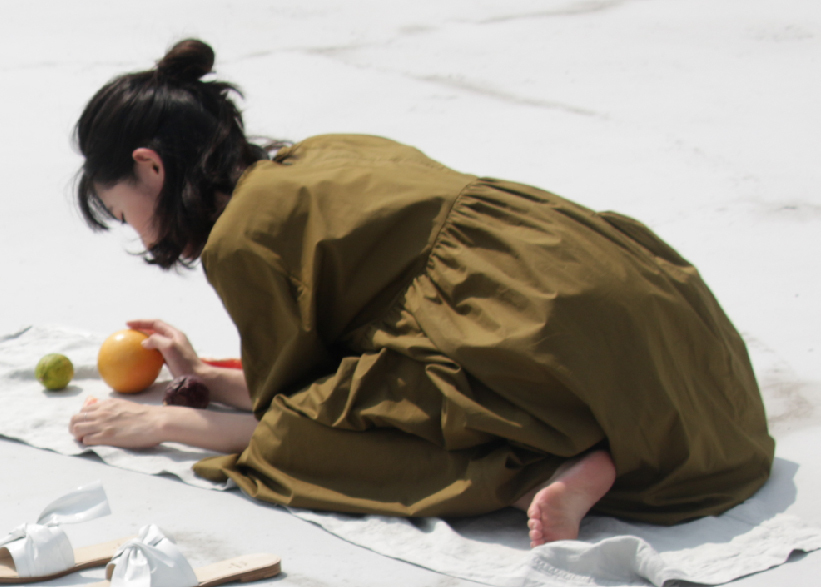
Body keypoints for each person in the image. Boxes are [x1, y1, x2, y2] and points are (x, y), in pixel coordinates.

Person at [66, 38, 775, 547]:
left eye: (125, 213)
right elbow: (334, 370)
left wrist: (160, 426)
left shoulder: (242, 238)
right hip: (650, 326)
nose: (140, 235)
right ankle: (579, 447)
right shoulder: (321, 153)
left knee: (296, 453)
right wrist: (209, 377)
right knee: (367, 399)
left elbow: (294, 415)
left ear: (151, 167)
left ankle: (540, 470)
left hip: (536, 338)